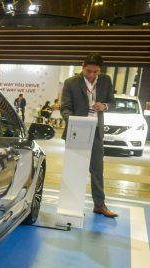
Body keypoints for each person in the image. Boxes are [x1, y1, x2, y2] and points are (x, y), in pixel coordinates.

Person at [61, 53, 117, 218]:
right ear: (83, 67)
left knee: (97, 170)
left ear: (100, 70)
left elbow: (113, 103)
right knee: (75, 170)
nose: (92, 75)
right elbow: (65, 108)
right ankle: (72, 206)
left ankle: (99, 205)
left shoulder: (106, 80)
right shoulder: (70, 82)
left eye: (96, 72)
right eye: (89, 71)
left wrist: (104, 106)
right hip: (77, 131)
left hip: (96, 132)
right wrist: (74, 121)